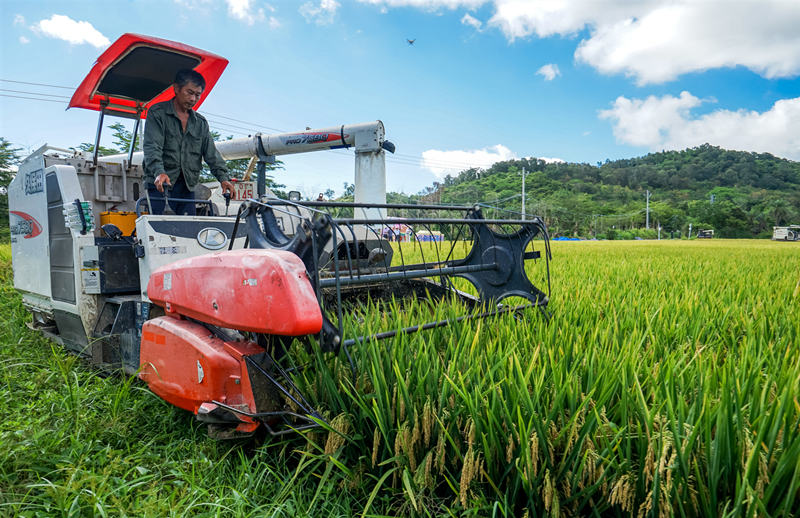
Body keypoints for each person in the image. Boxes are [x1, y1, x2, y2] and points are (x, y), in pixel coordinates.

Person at [143, 69, 233, 215]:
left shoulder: (201, 123)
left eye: (197, 95)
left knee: (188, 229)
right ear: (177, 89)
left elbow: (211, 154)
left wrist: (224, 179)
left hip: (187, 186)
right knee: (161, 230)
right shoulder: (157, 113)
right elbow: (152, 147)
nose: (193, 99)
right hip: (160, 185)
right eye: (189, 92)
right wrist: (159, 172)